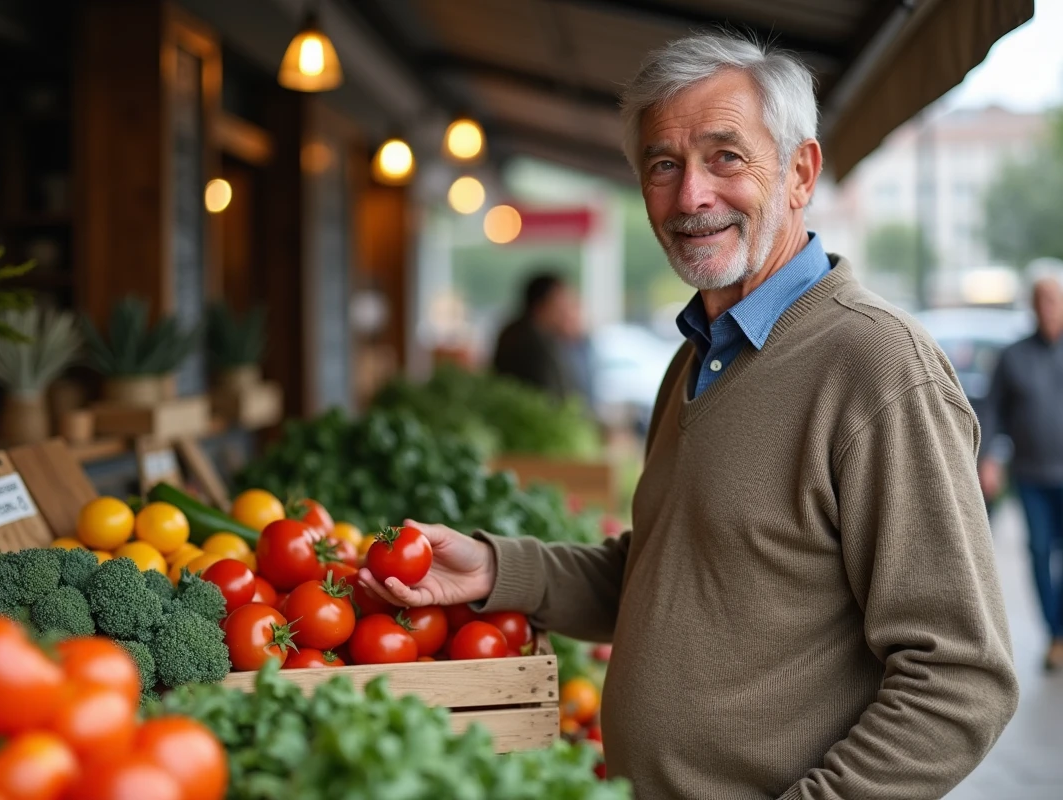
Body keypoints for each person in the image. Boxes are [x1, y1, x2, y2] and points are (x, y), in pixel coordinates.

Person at [361, 32, 1017, 800]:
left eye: (726, 157)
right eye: (663, 165)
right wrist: (499, 570)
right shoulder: (701, 352)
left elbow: (961, 680)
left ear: (801, 172)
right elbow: (674, 571)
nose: (691, 196)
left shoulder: (877, 367)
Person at [980, 274, 1063, 671]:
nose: (1048, 308)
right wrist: (990, 459)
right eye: (1041, 301)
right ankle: (1055, 633)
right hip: (1030, 475)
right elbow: (992, 412)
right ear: (1033, 306)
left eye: (1054, 300)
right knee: (1039, 550)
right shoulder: (1013, 357)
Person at [491, 272, 583, 402]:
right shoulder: (530, 342)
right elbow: (555, 398)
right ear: (542, 305)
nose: (567, 312)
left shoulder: (522, 332)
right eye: (562, 305)